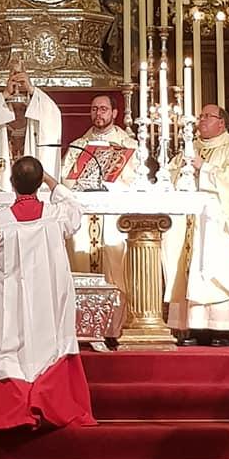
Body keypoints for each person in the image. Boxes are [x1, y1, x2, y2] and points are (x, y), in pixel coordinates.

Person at [0, 156, 95, 430]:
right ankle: (52, 403)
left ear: (11, 183)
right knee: (49, 342)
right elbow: (74, 207)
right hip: (49, 298)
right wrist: (51, 181)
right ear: (39, 184)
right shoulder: (56, 215)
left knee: (10, 345)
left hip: (12, 299)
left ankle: (11, 410)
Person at [162, 104, 229, 342]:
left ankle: (219, 329)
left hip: (217, 226)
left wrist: (204, 169)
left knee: (214, 269)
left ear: (221, 123)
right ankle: (188, 327)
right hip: (190, 223)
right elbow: (170, 174)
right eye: (200, 116)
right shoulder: (190, 148)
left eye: (207, 116)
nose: (201, 120)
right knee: (186, 269)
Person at [61, 94, 137, 321]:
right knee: (80, 262)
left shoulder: (128, 145)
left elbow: (134, 180)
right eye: (94, 109)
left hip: (113, 219)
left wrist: (110, 184)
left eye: (103, 109)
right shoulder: (79, 145)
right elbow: (66, 179)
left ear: (114, 113)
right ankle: (82, 322)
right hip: (84, 219)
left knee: (115, 264)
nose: (98, 113)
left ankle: (115, 322)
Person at [0, 65, 62, 191]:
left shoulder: (37, 112)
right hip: (4, 182)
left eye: (21, 108)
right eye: (15, 107)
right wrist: (5, 94)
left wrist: (31, 89)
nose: (18, 109)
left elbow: (51, 114)